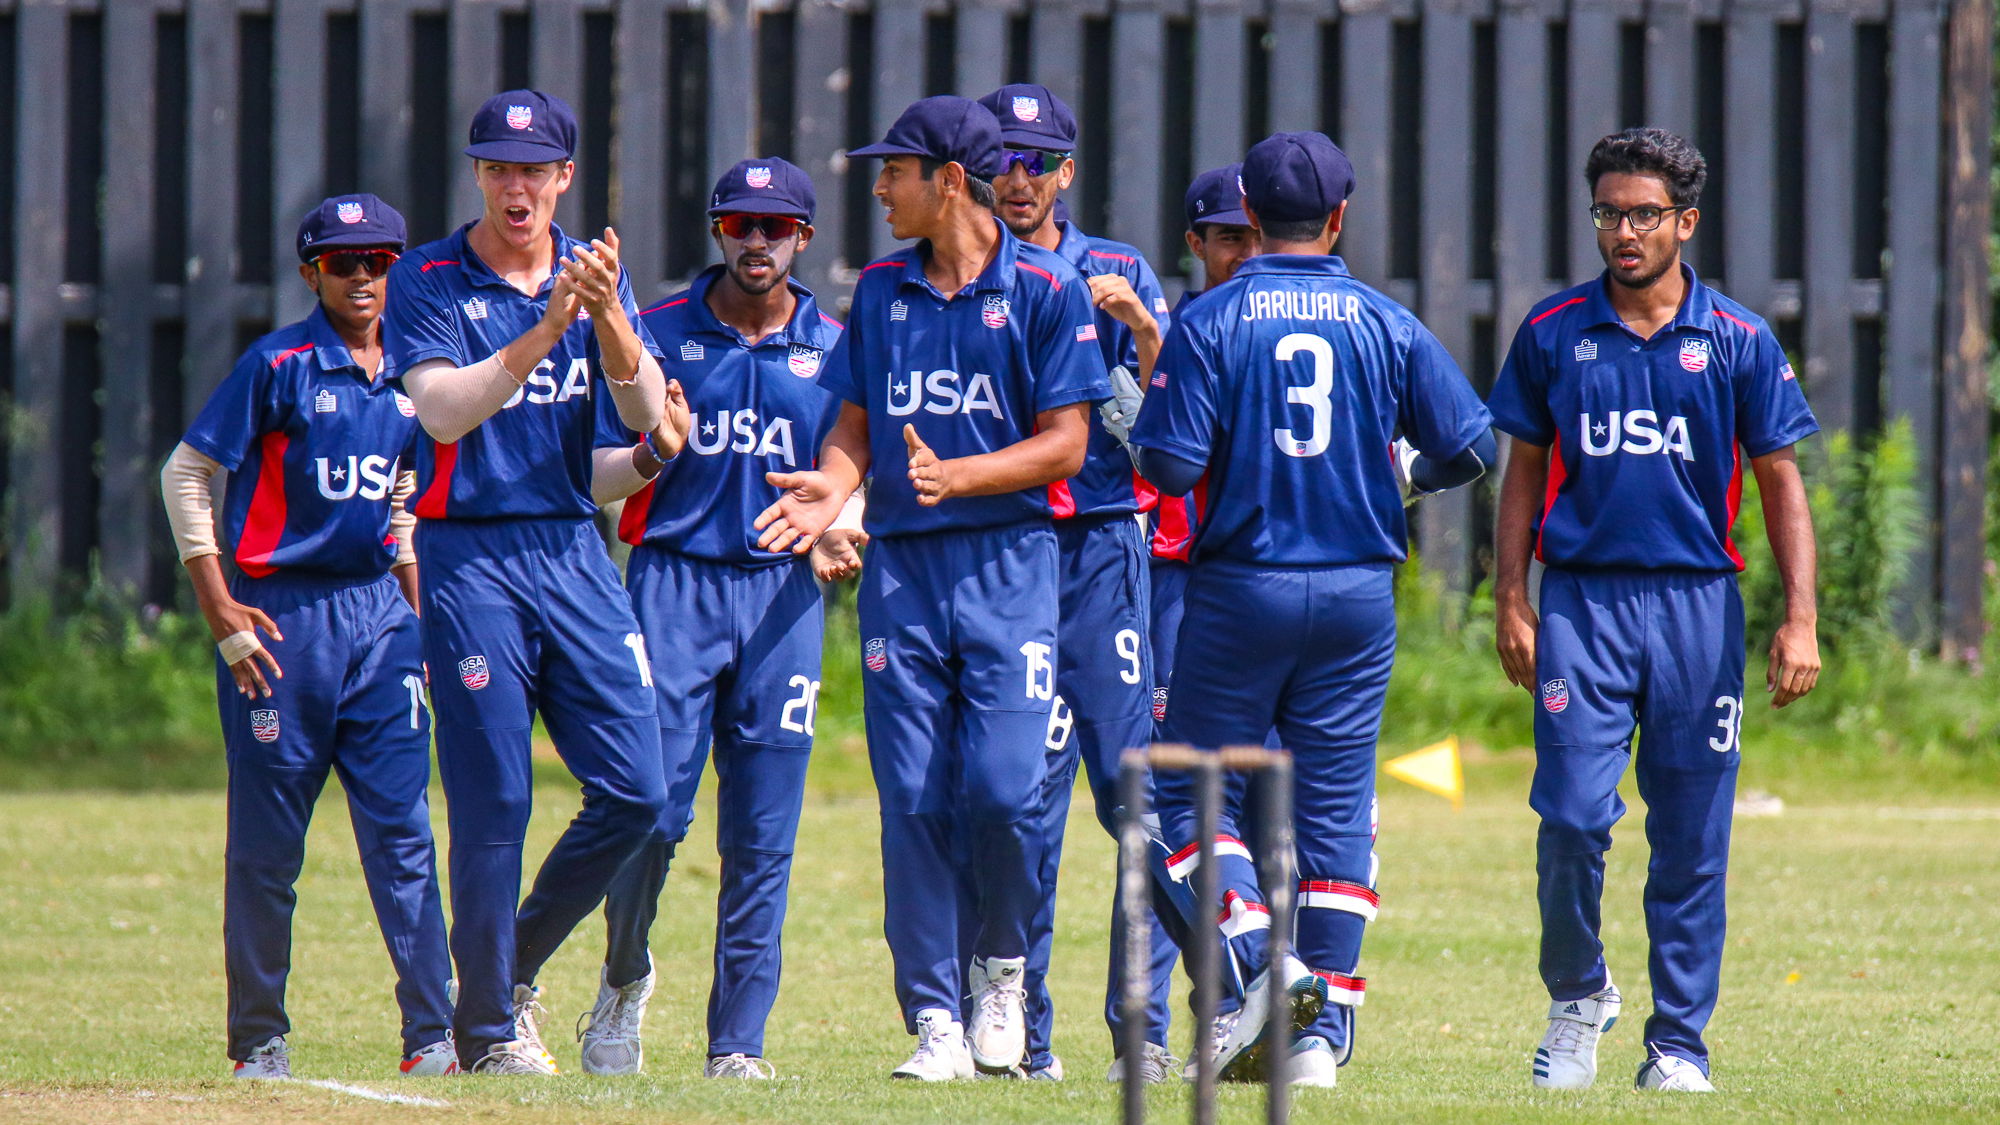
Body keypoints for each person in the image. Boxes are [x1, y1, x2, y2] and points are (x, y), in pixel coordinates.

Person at [752, 95, 1108, 1081]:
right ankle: (935, 1022)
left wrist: (959, 474)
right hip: (904, 574)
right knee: (909, 795)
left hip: (1007, 567)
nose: (878, 189)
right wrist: (832, 482)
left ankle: (1001, 971)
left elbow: (1067, 443)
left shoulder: (1044, 288)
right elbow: (854, 426)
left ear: (947, 179)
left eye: (893, 171)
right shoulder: (878, 291)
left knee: (1000, 791)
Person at [1130, 131, 1494, 1087]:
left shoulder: (1212, 318)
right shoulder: (1386, 319)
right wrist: (1397, 474)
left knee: (1186, 794)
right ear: (1340, 218)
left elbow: (1166, 464)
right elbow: (1468, 446)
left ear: (1246, 215)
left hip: (1242, 585)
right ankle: (1323, 1038)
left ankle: (1264, 966)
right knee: (1336, 809)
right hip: (1356, 594)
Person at [1487, 127, 1821, 1094]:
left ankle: (1678, 1043)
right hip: (1582, 606)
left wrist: (1798, 619)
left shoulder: (1739, 339)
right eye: (1608, 213)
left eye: (1642, 214)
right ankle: (1577, 993)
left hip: (1696, 608)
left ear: (1686, 221)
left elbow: (1780, 484)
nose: (1623, 231)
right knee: (1572, 818)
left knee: (1690, 833)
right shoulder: (1553, 332)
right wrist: (1513, 596)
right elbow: (1522, 471)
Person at [381, 89, 684, 1075]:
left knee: (641, 790)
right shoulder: (428, 277)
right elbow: (440, 416)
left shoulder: (594, 275)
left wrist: (604, 322)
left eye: (534, 170)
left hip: (571, 551)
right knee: (495, 799)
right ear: (480, 176)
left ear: (563, 179)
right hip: (468, 559)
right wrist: (549, 327)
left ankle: (504, 969)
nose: (516, 187)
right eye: (498, 168)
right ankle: (488, 1032)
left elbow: (639, 415)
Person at [161, 194, 455, 1079]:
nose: (361, 276)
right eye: (341, 261)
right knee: (266, 845)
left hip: (378, 620)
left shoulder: (419, 370)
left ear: (397, 266)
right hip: (280, 619)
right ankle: (259, 1039)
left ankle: (432, 1037)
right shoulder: (279, 362)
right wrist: (217, 605)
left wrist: (418, 613)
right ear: (310, 273)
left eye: (376, 259)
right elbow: (188, 471)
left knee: (403, 834)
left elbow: (402, 504)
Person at [574, 157, 844, 1080]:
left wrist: (845, 524)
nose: (756, 242)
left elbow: (868, 469)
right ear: (719, 233)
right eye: (740, 224)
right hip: (671, 587)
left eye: (776, 227)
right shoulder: (660, 333)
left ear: (804, 238)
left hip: (782, 600)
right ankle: (621, 978)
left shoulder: (839, 347)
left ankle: (738, 1040)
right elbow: (602, 462)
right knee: (649, 811)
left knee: (763, 832)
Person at [972, 82, 1175, 1085]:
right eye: (1000, 158)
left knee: (1130, 797)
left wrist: (1141, 325)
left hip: (1099, 548)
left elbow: (1172, 436)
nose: (1016, 178)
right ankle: (1022, 1039)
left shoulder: (1116, 270)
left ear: (1065, 171)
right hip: (1005, 553)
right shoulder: (961, 273)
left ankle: (1149, 1031)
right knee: (1019, 803)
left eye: (1034, 160)